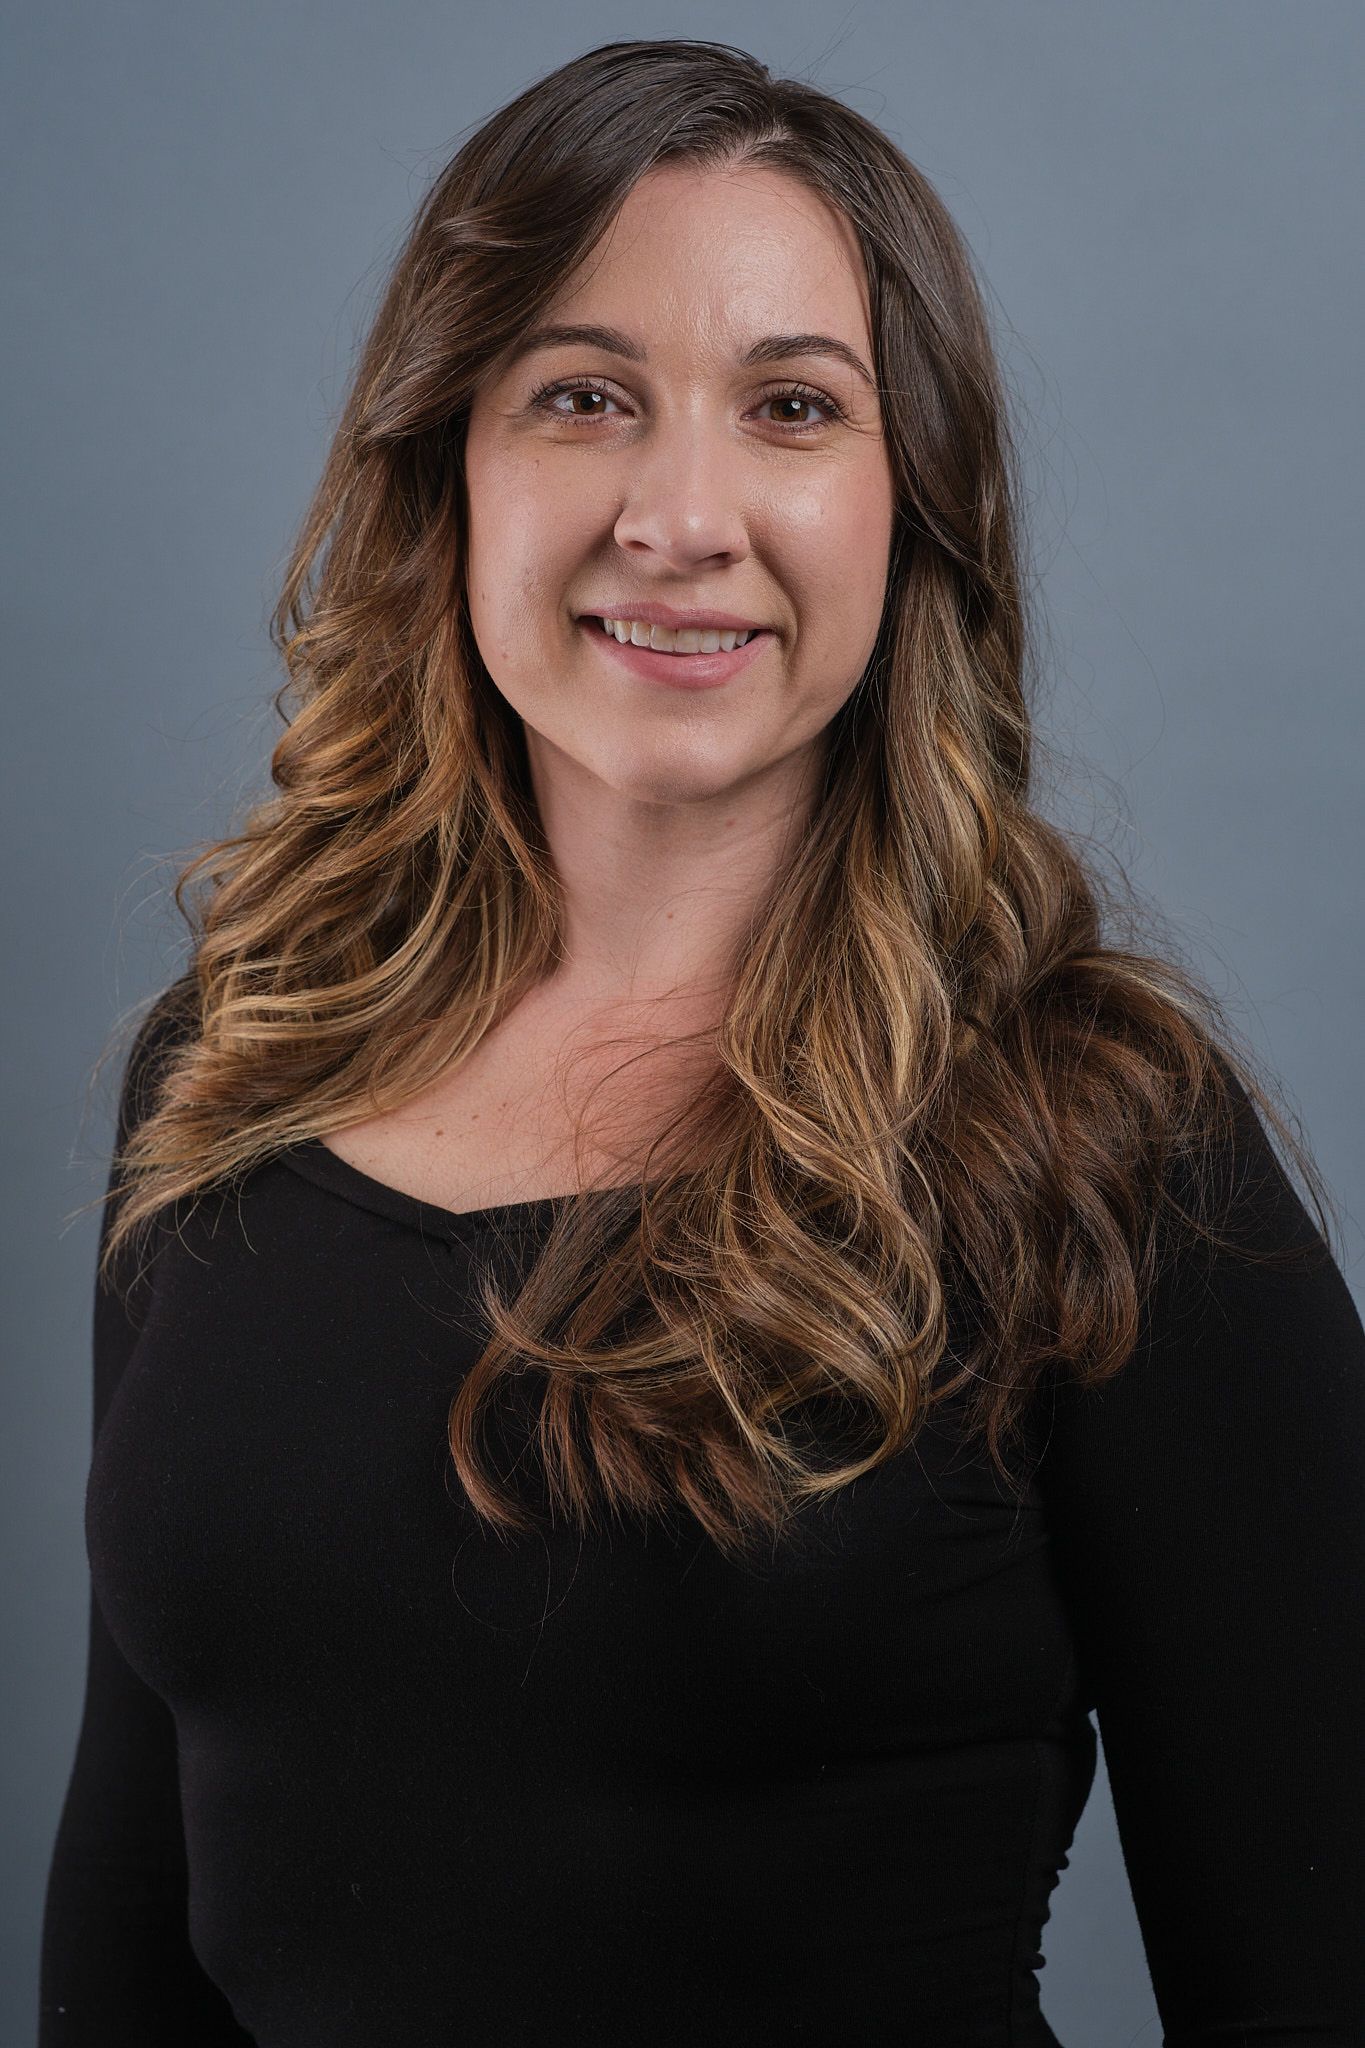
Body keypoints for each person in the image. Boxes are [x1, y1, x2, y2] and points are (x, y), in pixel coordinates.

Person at [38, 36, 1365, 2048]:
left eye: (788, 410)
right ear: (447, 466)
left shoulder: (1097, 1136)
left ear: (907, 499)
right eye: (581, 397)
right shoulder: (227, 1076)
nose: (680, 513)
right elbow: (128, 1922)